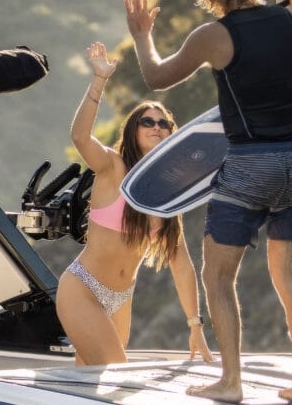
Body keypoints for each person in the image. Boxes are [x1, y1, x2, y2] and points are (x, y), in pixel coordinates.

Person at [123, 0, 292, 405]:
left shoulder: (213, 36)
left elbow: (157, 77)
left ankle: (231, 381)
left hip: (248, 165)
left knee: (217, 277)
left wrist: (142, 33)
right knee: (291, 280)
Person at [59, 42, 211, 366]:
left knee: (91, 386)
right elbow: (80, 137)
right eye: (148, 122)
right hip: (82, 288)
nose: (157, 126)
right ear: (133, 130)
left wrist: (195, 325)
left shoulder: (168, 193)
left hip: (121, 299)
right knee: (116, 372)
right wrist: (99, 80)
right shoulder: (113, 166)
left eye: (163, 123)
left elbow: (181, 265)